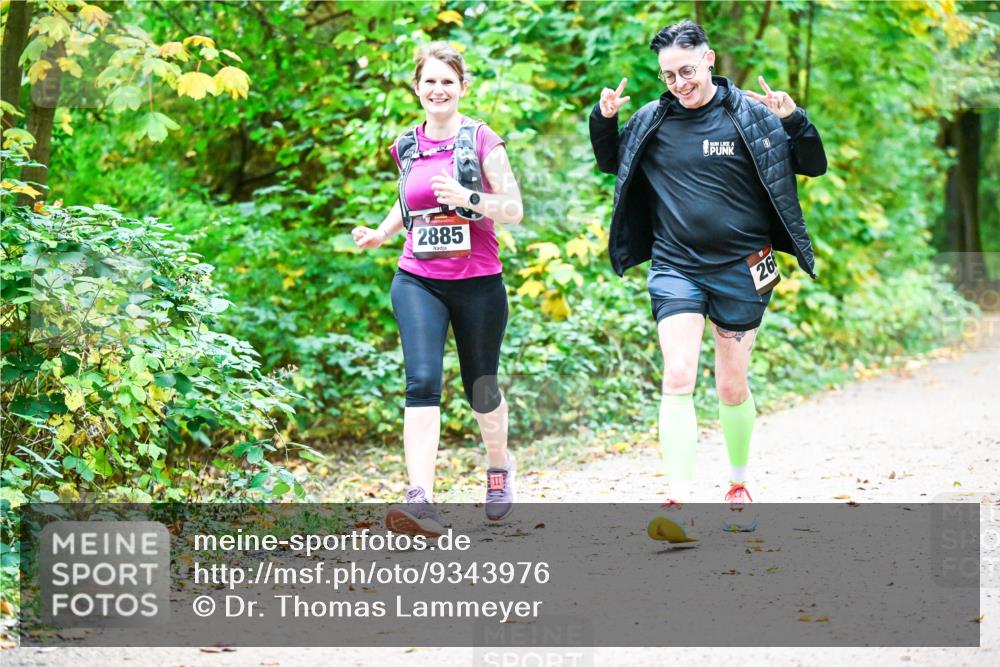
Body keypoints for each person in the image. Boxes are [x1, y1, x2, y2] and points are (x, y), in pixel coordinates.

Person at [589, 20, 827, 543]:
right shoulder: (652, 120)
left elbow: (813, 165)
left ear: (710, 59)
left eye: (687, 70)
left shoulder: (752, 115)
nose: (679, 82)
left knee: (730, 384)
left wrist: (794, 120)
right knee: (677, 376)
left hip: (743, 268)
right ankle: (678, 498)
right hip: (676, 266)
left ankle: (738, 485)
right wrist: (604, 119)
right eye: (668, 74)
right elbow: (613, 163)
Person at [353, 42, 523, 537]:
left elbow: (513, 208)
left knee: (481, 385)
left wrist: (470, 198)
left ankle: (498, 468)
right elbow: (408, 196)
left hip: (478, 283)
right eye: (429, 80)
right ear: (417, 88)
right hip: (417, 279)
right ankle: (420, 499)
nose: (438, 89)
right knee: (422, 379)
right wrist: (382, 233)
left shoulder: (482, 139)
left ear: (462, 87)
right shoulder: (406, 144)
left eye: (447, 80)